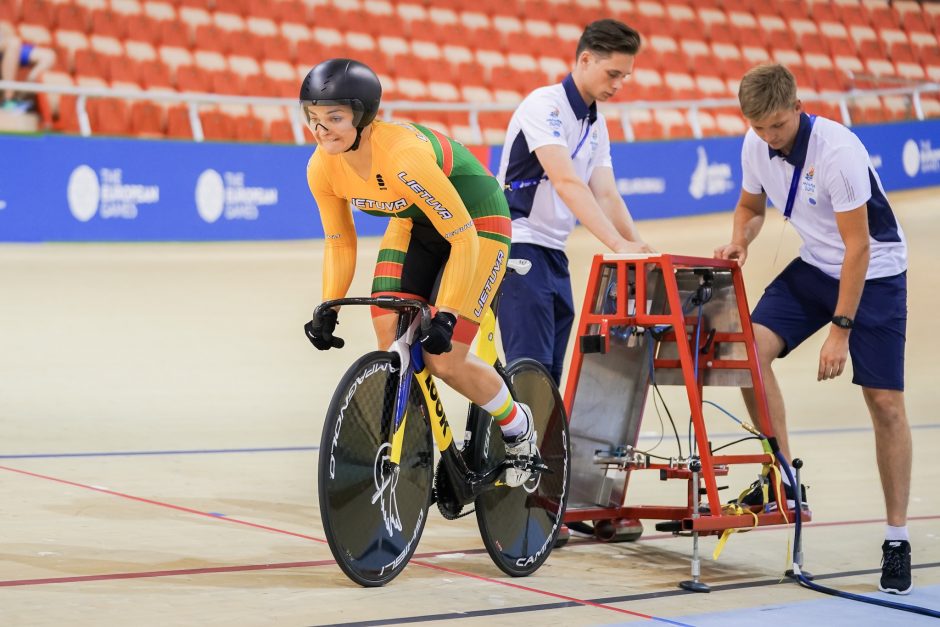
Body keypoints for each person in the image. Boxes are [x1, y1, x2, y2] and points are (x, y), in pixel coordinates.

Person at [714, 63, 912, 595]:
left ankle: (897, 538)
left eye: (776, 126)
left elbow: (859, 249)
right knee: (748, 351)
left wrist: (840, 331)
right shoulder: (755, 142)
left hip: (875, 272)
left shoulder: (838, 152)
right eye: (758, 127)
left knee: (884, 402)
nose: (768, 137)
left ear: (798, 109)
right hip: (816, 265)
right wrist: (742, 238)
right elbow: (751, 206)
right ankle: (783, 476)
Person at [300, 58, 536, 487]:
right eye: (313, 119)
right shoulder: (322, 167)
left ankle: (518, 427)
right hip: (416, 222)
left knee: (446, 361)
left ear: (364, 114)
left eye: (334, 118)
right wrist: (328, 305)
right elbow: (339, 241)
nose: (321, 130)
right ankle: (418, 441)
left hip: (477, 221)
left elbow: (462, 235)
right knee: (390, 333)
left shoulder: (402, 157)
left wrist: (445, 312)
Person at [495, 18, 653, 387]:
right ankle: (518, 444)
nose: (618, 84)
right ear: (584, 60)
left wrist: (642, 250)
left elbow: (607, 194)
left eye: (625, 77)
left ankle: (541, 445)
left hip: (554, 252)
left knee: (551, 374)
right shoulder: (543, 105)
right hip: (520, 243)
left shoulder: (596, 124)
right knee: (529, 371)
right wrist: (618, 246)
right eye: (613, 73)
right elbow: (566, 181)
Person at [0, 21, 56, 112]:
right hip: (7, 45)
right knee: (13, 43)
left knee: (48, 56)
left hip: (5, 43)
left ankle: (20, 98)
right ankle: (7, 100)